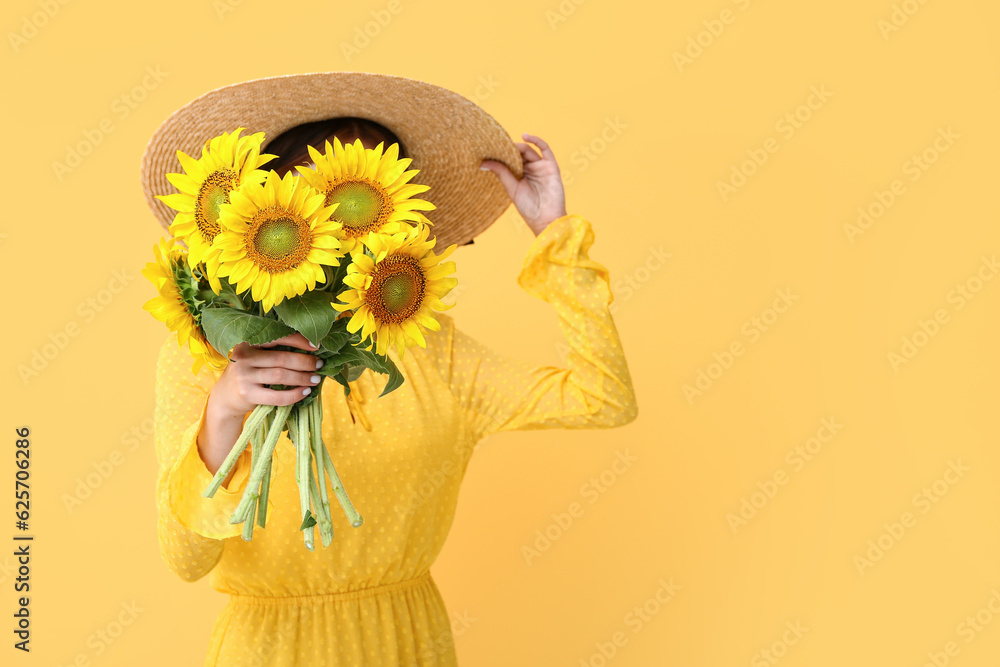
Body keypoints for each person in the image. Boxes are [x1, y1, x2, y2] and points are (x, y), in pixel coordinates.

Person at [145, 72, 638, 666]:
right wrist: (224, 410)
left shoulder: (431, 351)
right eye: (311, 194)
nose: (331, 223)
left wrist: (554, 237)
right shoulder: (206, 355)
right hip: (267, 651)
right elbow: (185, 559)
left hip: (407, 644)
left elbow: (603, 397)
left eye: (359, 204)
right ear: (264, 211)